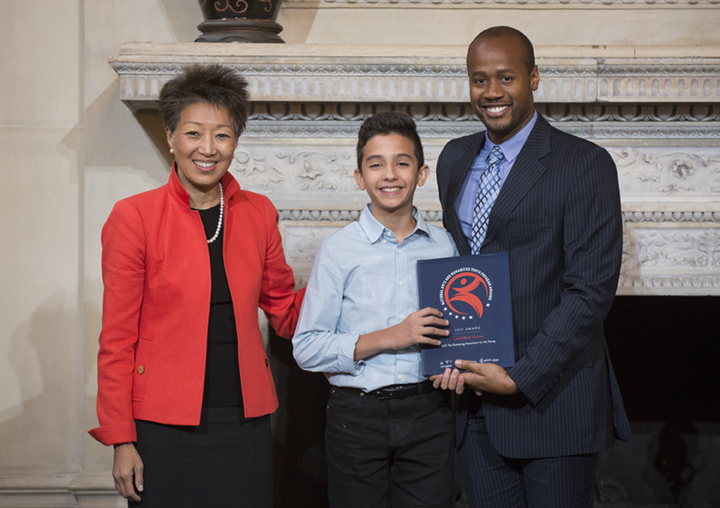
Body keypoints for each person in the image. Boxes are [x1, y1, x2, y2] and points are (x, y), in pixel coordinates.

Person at [432, 26, 633, 508]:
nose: (492, 92)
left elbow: (590, 291)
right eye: (479, 80)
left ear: (534, 78)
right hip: (475, 406)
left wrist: (520, 376)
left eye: (506, 77)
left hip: (555, 404)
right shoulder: (454, 158)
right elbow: (460, 268)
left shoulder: (584, 163)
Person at [89, 63, 304, 507]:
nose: (208, 148)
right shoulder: (135, 217)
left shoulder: (258, 212)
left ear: (236, 141)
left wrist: (359, 290)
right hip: (161, 427)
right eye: (193, 133)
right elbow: (117, 338)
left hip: (245, 421)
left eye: (222, 135)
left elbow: (285, 308)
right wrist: (121, 439)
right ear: (170, 136)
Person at [292, 112, 458, 508]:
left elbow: (459, 328)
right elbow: (306, 347)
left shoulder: (445, 246)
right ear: (359, 176)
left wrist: (458, 364)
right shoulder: (338, 250)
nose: (390, 175)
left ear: (421, 174)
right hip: (356, 416)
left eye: (402, 162)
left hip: (430, 412)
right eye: (376, 164)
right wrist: (392, 337)